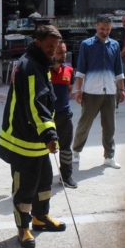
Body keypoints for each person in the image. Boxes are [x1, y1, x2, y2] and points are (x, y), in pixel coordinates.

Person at [0, 25, 67, 248]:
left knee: (44, 181)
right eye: (49, 46)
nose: (52, 51)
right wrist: (49, 133)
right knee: (24, 188)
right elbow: (35, 104)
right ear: (37, 42)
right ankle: (23, 228)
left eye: (55, 47)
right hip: (22, 140)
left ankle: (40, 217)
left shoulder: (39, 62)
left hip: (36, 140)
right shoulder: (28, 66)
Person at [71, 14, 125, 169]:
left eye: (107, 29)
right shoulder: (86, 45)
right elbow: (80, 70)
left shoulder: (114, 45)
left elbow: (118, 70)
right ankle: (75, 151)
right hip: (91, 92)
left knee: (110, 126)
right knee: (85, 124)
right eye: (102, 28)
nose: (105, 31)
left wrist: (121, 90)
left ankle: (109, 156)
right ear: (96, 27)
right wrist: (78, 90)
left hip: (110, 92)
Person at [50, 41, 77, 189]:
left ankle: (66, 177)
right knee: (42, 149)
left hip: (64, 115)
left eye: (65, 52)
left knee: (66, 148)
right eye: (60, 52)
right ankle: (43, 178)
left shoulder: (69, 70)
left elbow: (69, 90)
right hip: (47, 117)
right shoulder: (43, 71)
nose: (63, 55)